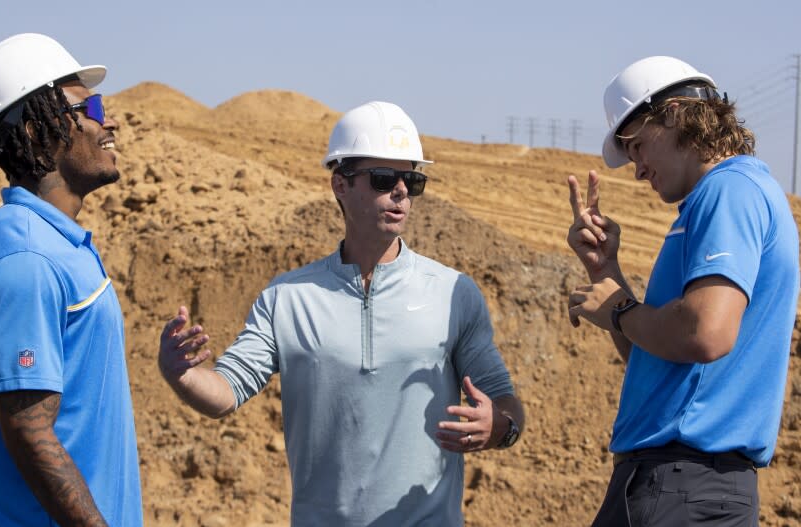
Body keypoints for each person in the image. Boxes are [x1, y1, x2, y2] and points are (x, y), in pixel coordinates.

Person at [158, 101, 524, 526]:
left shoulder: (453, 294)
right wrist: (181, 374)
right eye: (385, 178)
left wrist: (498, 426)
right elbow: (226, 391)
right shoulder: (286, 298)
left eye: (413, 179)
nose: (402, 191)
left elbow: (505, 403)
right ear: (340, 185)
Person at [566, 56, 799, 526]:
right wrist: (606, 271)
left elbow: (703, 334)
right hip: (679, 485)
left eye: (636, 146)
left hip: (683, 487)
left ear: (673, 114)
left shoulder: (729, 190)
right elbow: (661, 357)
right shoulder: (724, 197)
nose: (637, 169)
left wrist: (617, 307)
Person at [0, 34, 142, 526]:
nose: (109, 121)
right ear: (38, 126)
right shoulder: (25, 257)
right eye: (92, 105)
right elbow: (29, 432)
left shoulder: (55, 243)